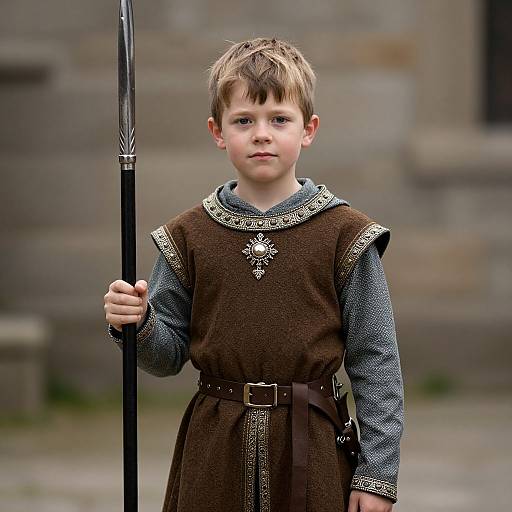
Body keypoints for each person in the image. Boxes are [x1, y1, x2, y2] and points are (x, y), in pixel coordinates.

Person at [103, 37, 404, 512]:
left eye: (279, 119)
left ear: (308, 129)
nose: (261, 134)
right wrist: (136, 323)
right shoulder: (188, 236)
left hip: (314, 450)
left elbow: (377, 362)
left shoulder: (346, 234)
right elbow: (166, 356)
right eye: (243, 120)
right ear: (218, 132)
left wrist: (377, 476)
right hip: (214, 452)